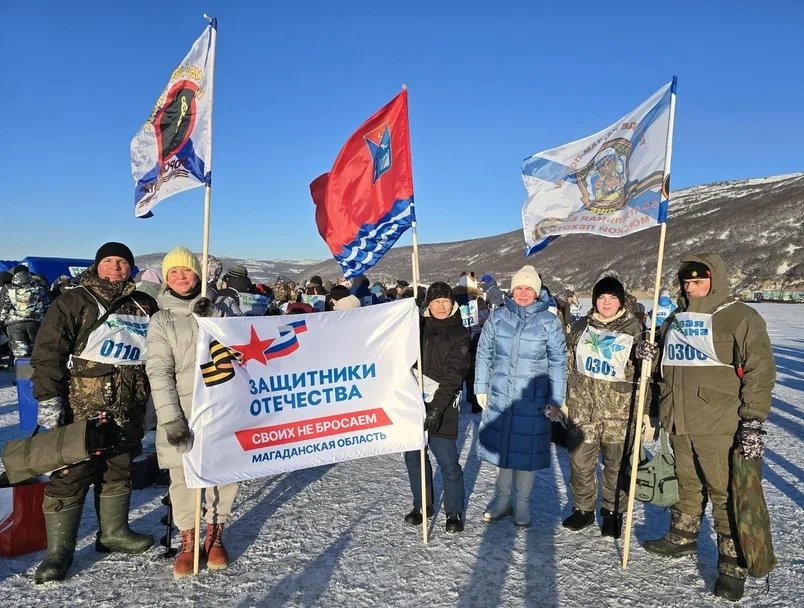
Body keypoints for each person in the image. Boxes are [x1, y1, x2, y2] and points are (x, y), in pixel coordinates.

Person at [638, 254, 776, 602]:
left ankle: (733, 566)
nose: (691, 287)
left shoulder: (740, 316)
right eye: (686, 281)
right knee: (686, 480)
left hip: (719, 421)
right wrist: (648, 353)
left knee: (724, 492)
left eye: (699, 281)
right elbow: (664, 366)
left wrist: (753, 421)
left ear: (716, 280)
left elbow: (760, 371)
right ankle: (682, 537)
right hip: (679, 417)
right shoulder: (676, 320)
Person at [30, 242, 156, 584]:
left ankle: (113, 533)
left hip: (129, 406)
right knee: (71, 471)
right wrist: (48, 399)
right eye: (109, 261)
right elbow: (48, 353)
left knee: (119, 467)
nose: (116, 267)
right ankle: (59, 553)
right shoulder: (74, 300)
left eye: (122, 262)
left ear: (131, 268)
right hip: (81, 406)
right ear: (97, 265)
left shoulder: (144, 304)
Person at [146, 246, 239, 578]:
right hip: (183, 410)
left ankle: (215, 535)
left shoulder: (221, 306)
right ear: (166, 278)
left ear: (198, 275)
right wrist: (171, 418)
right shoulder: (162, 319)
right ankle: (189, 539)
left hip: (220, 406)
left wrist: (212, 315)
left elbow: (239, 347)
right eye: (174, 272)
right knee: (182, 478)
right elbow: (158, 371)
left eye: (186, 271)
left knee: (221, 474)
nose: (181, 277)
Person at [474, 265, 567, 527]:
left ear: (536, 293)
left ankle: (522, 503)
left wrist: (556, 399)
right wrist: (481, 386)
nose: (524, 293)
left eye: (529, 289)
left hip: (533, 400)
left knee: (525, 452)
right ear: (512, 290)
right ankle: (502, 500)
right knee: (503, 450)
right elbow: (484, 353)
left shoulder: (548, 321)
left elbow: (559, 362)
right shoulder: (498, 317)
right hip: (501, 396)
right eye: (519, 288)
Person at [559, 274, 644, 538]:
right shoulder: (581, 326)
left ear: (621, 301)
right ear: (595, 300)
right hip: (583, 408)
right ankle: (583, 509)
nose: (606, 302)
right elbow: (569, 362)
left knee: (616, 465)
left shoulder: (635, 329)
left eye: (612, 298)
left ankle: (612, 511)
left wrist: (645, 357)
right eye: (602, 297)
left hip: (619, 410)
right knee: (580, 462)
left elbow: (645, 375)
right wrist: (564, 397)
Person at [403, 282, 470, 533]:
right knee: (414, 458)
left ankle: (453, 510)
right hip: (413, 403)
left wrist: (436, 409)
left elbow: (454, 375)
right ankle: (423, 505)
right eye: (436, 301)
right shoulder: (416, 328)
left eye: (446, 301)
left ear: (452, 304)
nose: (441, 306)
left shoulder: (459, 333)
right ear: (428, 304)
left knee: (448, 461)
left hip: (443, 406)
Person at [453, 273, 489, 413]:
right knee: (473, 371)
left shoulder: (454, 299)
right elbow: (485, 319)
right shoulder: (478, 300)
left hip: (458, 338)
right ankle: (474, 402)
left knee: (457, 370)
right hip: (475, 337)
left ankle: (455, 402)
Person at [0, 268, 47, 358]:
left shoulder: (8, 288)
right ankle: (34, 370)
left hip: (15, 325)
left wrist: (1, 322)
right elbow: (47, 306)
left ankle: (22, 370)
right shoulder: (40, 288)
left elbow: (3, 309)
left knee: (20, 353)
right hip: (35, 324)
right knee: (36, 352)